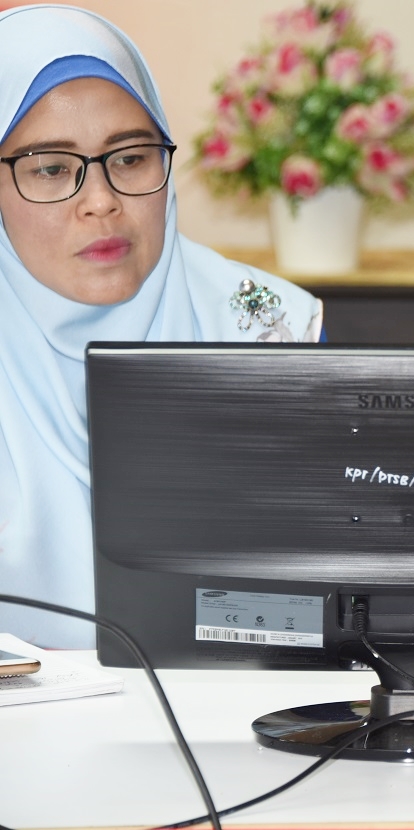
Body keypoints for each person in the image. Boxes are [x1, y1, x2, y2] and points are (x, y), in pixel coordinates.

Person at [0, 5, 323, 649]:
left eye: (130, 158)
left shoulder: (267, 332)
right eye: (51, 168)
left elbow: (322, 607)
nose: (101, 201)